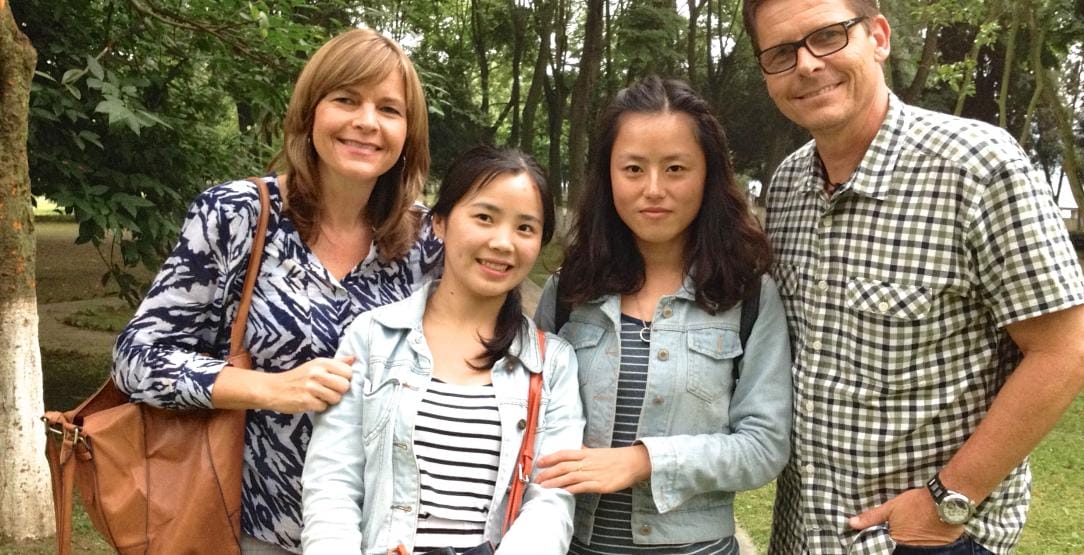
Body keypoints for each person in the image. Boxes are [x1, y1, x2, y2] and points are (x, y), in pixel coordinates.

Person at [740, 1, 1084, 553]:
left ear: (879, 37)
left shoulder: (979, 167)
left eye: (828, 36)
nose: (807, 64)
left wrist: (946, 500)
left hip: (924, 539)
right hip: (803, 535)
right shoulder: (788, 187)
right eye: (781, 52)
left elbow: (1065, 353)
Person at [112, 28, 443, 554]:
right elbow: (136, 358)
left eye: (389, 109)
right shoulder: (238, 215)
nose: (367, 121)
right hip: (251, 527)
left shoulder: (426, 241)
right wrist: (269, 388)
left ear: (410, 134)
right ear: (310, 113)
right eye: (346, 100)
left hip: (384, 535)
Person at [533, 76, 793, 554]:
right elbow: (527, 414)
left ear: (708, 175)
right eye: (633, 169)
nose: (653, 189)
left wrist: (644, 461)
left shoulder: (747, 296)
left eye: (675, 168)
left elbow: (763, 446)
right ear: (608, 175)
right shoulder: (571, 290)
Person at [301, 145, 584, 555]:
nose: (503, 242)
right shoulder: (373, 337)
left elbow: (550, 502)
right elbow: (332, 483)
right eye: (484, 217)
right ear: (440, 223)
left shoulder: (552, 364)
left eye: (525, 228)